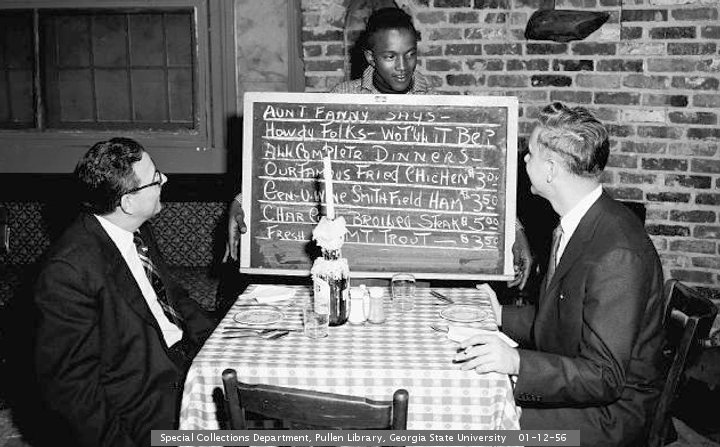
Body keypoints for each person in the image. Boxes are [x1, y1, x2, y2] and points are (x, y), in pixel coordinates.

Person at [226, 7, 534, 289]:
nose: (402, 67)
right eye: (390, 57)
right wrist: (243, 202)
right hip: (357, 254)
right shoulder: (342, 98)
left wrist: (514, 229)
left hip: (417, 254)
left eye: (410, 55)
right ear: (371, 58)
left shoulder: (438, 106)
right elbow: (299, 159)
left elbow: (476, 180)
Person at [456, 102, 665, 446]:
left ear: (551, 170)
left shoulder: (617, 253)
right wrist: (501, 315)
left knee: (476, 427)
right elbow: (564, 318)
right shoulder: (583, 221)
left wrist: (517, 362)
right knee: (474, 399)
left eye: (530, 154)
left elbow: (604, 377)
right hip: (584, 396)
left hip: (609, 418)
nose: (525, 160)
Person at [33, 137, 215, 447]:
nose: (165, 179)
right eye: (155, 178)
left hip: (183, 359)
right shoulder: (68, 271)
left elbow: (173, 296)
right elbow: (72, 389)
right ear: (128, 203)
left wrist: (221, 339)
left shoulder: (136, 227)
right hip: (143, 403)